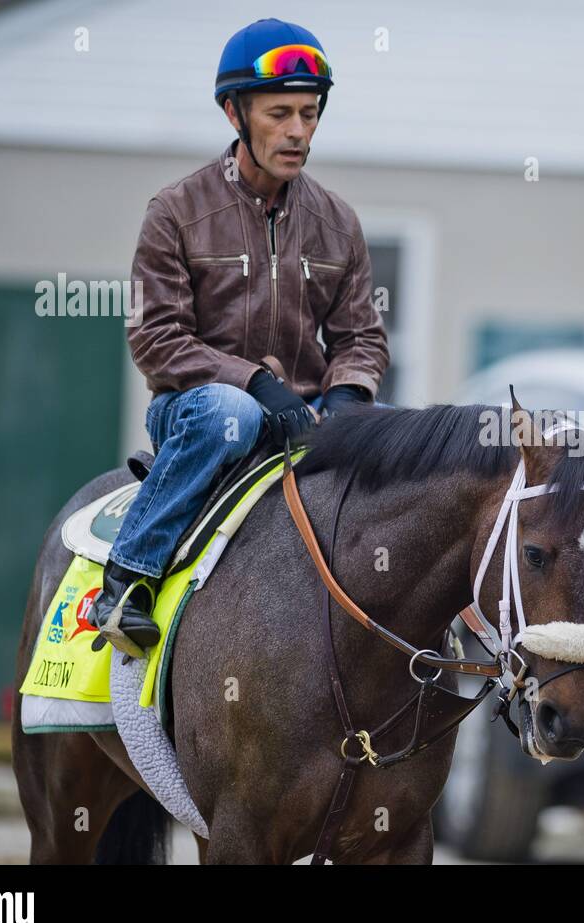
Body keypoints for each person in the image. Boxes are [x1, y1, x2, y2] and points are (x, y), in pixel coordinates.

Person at [89, 19, 389, 658]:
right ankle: (125, 582)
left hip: (306, 416)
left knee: (402, 432)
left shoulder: (339, 222)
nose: (298, 132)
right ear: (234, 113)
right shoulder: (174, 211)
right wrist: (253, 382)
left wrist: (347, 400)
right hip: (198, 409)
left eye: (309, 114)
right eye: (279, 114)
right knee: (233, 413)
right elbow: (156, 337)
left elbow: (362, 337)